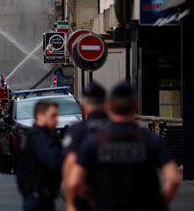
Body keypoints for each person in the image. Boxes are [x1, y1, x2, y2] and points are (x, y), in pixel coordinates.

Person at [66, 82, 181, 211]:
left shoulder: (94, 141)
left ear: (109, 106)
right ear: (136, 105)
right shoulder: (151, 140)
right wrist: (159, 204)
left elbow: (74, 181)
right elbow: (173, 179)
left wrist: (90, 202)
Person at [62, 82, 108, 210]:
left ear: (83, 105)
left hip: (86, 197)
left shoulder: (77, 131)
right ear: (106, 103)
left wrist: (70, 202)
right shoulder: (118, 130)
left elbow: (70, 165)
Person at [17, 101, 62, 211]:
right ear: (40, 116)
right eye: (53, 116)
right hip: (39, 197)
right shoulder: (39, 138)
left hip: (38, 195)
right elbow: (53, 160)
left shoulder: (38, 135)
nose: (57, 119)